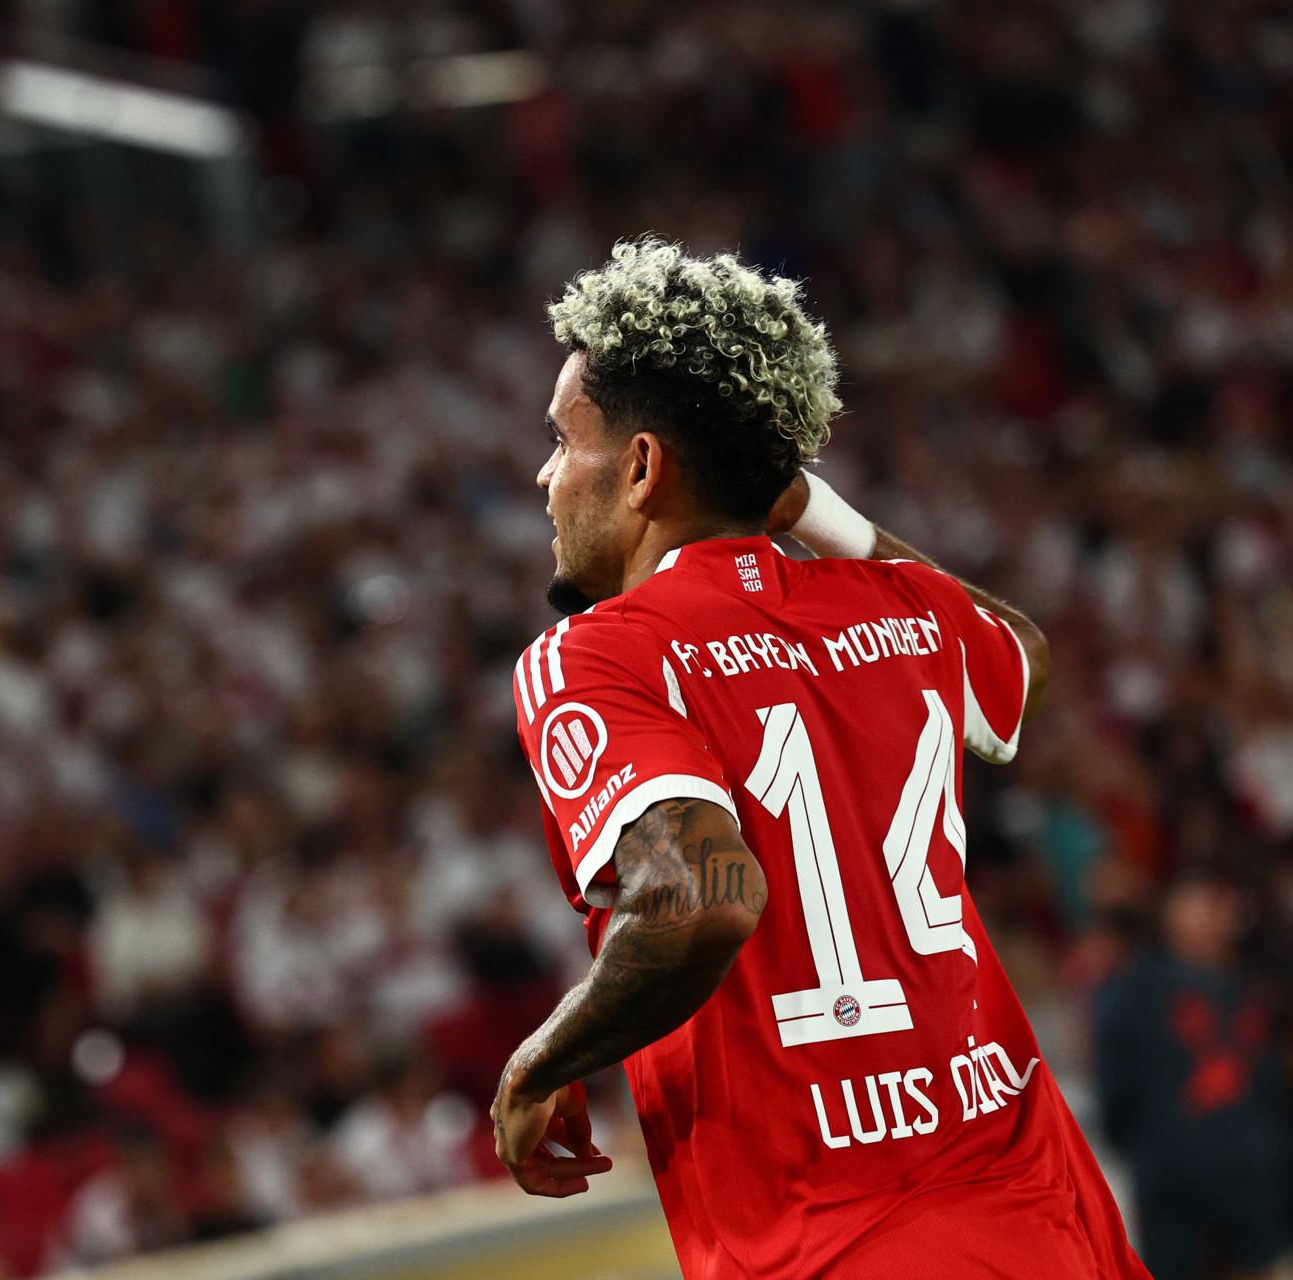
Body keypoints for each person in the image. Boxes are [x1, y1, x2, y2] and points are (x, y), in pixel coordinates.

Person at [489, 238, 1149, 1278]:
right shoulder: (912, 607)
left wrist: (541, 1061)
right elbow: (1017, 655)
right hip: (1050, 1216)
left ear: (643, 466)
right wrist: (813, 509)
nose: (544, 473)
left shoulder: (598, 651)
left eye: (563, 440)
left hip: (839, 1239)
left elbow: (701, 895)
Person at [1095, 871, 1293, 1279]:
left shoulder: (1249, 985)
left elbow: (1272, 1079)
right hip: (1175, 1170)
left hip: (1246, 1165)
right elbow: (1118, 1092)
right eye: (1202, 910)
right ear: (1171, 919)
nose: (1217, 921)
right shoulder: (1134, 993)